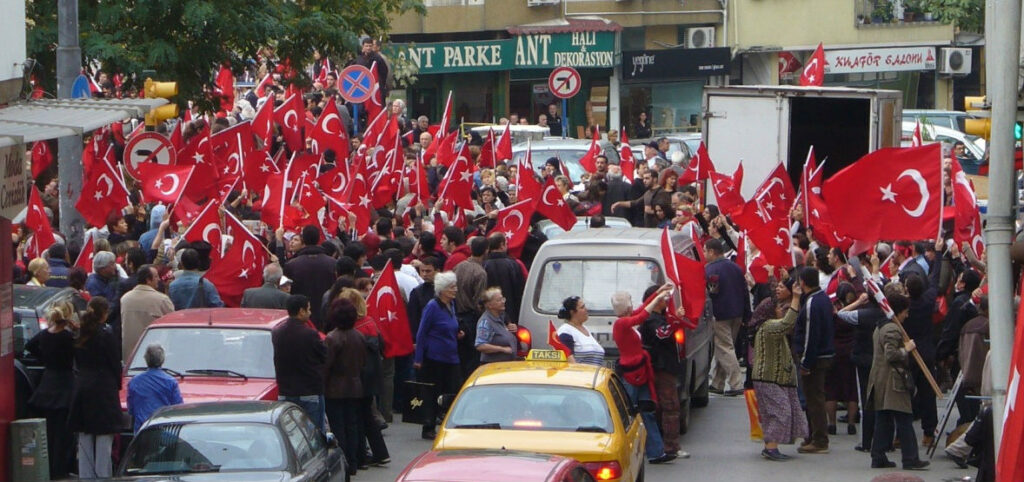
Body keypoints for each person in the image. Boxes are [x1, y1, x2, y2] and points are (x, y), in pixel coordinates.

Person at [611, 286, 677, 465]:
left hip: (639, 372)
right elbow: (642, 314)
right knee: (627, 415)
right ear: (626, 307)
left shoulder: (625, 321)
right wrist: (656, 299)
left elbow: (642, 309)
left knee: (647, 411)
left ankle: (656, 452)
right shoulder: (621, 324)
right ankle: (623, 452)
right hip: (632, 375)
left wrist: (659, 292)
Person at [867, 293, 930, 470]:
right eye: (905, 312)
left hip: (880, 379)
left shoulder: (880, 327)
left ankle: (878, 455)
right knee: (904, 420)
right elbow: (891, 355)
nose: (907, 315)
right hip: (893, 380)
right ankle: (910, 458)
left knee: (884, 420)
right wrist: (906, 349)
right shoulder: (892, 329)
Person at [750, 278, 808, 461]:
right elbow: (787, 323)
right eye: (777, 308)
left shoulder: (765, 327)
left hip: (770, 377)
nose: (780, 310)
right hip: (768, 378)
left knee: (771, 413)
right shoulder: (768, 327)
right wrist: (796, 298)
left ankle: (770, 445)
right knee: (781, 411)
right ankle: (771, 447)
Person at [67, 297, 122, 479]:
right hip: (104, 389)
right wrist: (117, 384)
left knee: (84, 438)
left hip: (83, 387)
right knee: (104, 438)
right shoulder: (106, 335)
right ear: (104, 314)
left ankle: (86, 476)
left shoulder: (79, 334)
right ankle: (102, 476)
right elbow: (115, 363)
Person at [25, 301, 77, 478]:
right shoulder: (68, 337)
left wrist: (44, 359)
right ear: (68, 317)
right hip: (65, 385)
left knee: (48, 432)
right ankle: (59, 470)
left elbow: (29, 345)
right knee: (63, 434)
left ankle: (48, 468)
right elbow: (80, 351)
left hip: (47, 384)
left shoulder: (45, 335)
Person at [323, 298, 369, 475]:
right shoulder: (359, 336)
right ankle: (354, 461)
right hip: (355, 386)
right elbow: (363, 361)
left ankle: (343, 462)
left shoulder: (332, 338)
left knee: (338, 427)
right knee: (352, 425)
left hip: (335, 388)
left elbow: (326, 365)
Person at [414, 271, 463, 440]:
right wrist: (418, 358)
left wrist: (458, 332)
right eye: (452, 287)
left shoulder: (452, 305)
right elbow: (422, 333)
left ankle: (448, 424)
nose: (455, 290)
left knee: (452, 391)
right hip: (434, 357)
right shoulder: (432, 306)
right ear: (442, 290)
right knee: (432, 392)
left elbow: (450, 326)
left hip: (451, 355)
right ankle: (428, 426)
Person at [794, 267, 835, 454]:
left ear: (803, 282)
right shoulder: (823, 299)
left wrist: (806, 362)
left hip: (816, 358)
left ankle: (819, 439)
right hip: (821, 355)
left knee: (815, 399)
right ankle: (812, 435)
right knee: (813, 397)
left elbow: (811, 335)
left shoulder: (812, 303)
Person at [272, 295, 327, 431]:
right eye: (308, 309)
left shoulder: (277, 332)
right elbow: (323, 356)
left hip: (285, 391)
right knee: (314, 432)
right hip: (309, 391)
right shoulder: (310, 334)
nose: (310, 312)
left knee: (290, 432)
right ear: (301, 311)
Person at [704, 238, 749, 396]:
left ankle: (736, 383)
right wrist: (747, 314)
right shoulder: (736, 267)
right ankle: (718, 382)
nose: (704, 254)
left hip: (720, 314)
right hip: (737, 313)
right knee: (725, 347)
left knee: (725, 348)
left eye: (705, 251)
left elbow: (711, 293)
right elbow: (744, 291)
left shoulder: (710, 270)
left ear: (711, 251)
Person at [284, 225, 337, 329]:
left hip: (300, 317)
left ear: (303, 240)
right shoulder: (333, 263)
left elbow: (286, 292)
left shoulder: (291, 265)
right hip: (326, 317)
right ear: (318, 239)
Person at [120, 264, 174, 361]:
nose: (159, 279)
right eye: (156, 276)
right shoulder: (162, 300)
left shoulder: (125, 299)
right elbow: (173, 325)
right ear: (148, 280)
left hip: (130, 357)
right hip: (155, 357)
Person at [126, 344, 183, 433]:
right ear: (162, 359)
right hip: (164, 430)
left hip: (141, 430)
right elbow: (178, 408)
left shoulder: (134, 382)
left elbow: (131, 409)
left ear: (146, 359)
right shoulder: (170, 382)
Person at [555, 296, 604, 366]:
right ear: (572, 312)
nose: (586, 309)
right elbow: (569, 361)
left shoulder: (585, 329)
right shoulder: (565, 331)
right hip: (580, 376)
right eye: (582, 307)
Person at [474, 287, 517, 364]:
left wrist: (510, 328)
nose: (502, 302)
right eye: (498, 300)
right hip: (492, 366)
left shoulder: (501, 317)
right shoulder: (485, 322)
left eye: (503, 299)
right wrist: (502, 349)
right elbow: (480, 345)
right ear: (489, 305)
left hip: (505, 364)